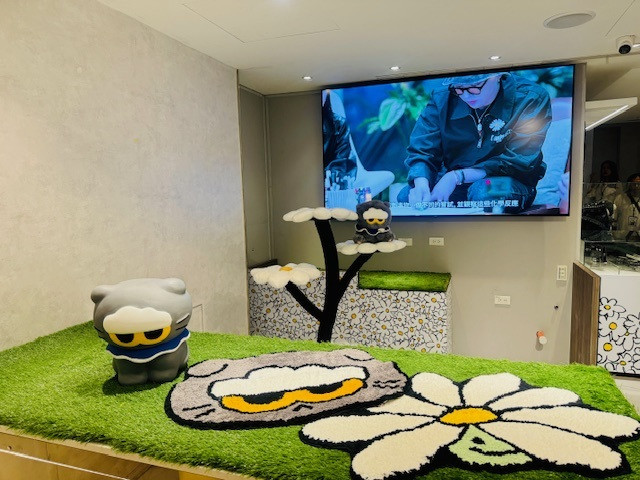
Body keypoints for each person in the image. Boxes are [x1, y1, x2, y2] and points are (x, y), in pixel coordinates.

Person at [397, 72, 552, 212]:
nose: (466, 95)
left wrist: (456, 176)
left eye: (475, 86)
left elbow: (518, 160)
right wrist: (421, 184)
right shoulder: (442, 99)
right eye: (458, 88)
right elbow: (423, 148)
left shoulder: (529, 97)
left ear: (498, 76)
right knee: (407, 196)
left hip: (509, 182)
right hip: (458, 184)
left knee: (483, 192)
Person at [613, 173, 640, 241]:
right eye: (634, 184)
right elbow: (614, 219)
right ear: (629, 184)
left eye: (639, 184)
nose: (637, 186)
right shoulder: (620, 198)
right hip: (622, 237)